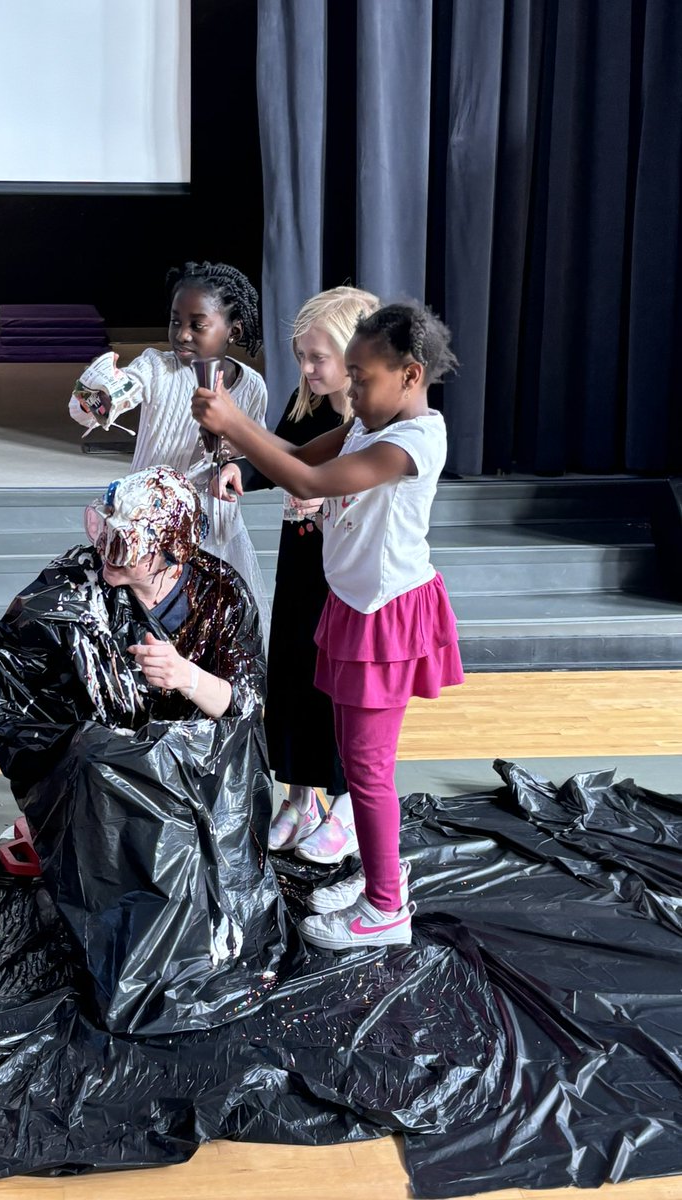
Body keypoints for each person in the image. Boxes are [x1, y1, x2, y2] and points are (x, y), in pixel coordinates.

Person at [0, 466, 289, 1034]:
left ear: (170, 551)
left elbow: (245, 704)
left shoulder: (220, 591)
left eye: (122, 542)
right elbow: (14, 677)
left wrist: (185, 676)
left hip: (200, 773)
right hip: (103, 778)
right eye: (103, 532)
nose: (105, 548)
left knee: (194, 913)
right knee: (99, 762)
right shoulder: (75, 582)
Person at [193, 301, 464, 951]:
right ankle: (380, 875)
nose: (351, 389)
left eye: (361, 378)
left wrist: (235, 422)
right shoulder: (370, 423)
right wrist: (240, 450)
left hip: (386, 620)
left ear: (410, 374)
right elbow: (294, 454)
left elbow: (311, 477)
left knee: (367, 774)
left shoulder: (412, 441)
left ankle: (384, 911)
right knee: (357, 760)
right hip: (351, 606)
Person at [212, 286, 380, 863]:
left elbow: (363, 492)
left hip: (351, 576)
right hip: (303, 565)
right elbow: (282, 456)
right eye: (300, 356)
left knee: (344, 689)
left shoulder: (377, 425)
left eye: (317, 358)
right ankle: (300, 796)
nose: (305, 369)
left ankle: (351, 804)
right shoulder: (308, 401)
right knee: (292, 672)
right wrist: (240, 466)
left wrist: (325, 498)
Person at [68, 260, 270, 637]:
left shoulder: (252, 387)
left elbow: (253, 452)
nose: (183, 334)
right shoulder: (156, 367)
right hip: (144, 526)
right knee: (142, 625)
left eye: (198, 324)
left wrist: (233, 460)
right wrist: (96, 395)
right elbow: (99, 405)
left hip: (214, 527)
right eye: (176, 321)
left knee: (207, 625)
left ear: (234, 330)